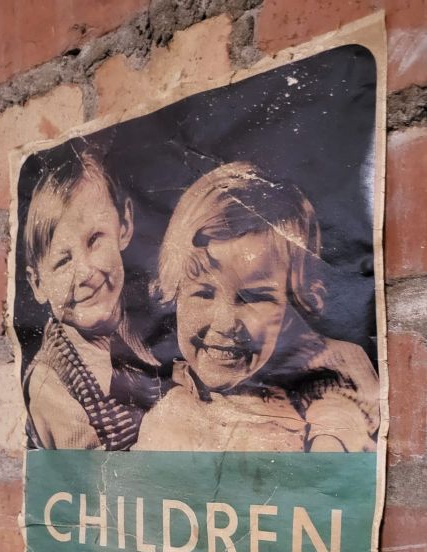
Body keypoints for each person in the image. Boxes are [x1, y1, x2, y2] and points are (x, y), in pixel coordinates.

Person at [135, 162, 379, 452]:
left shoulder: (317, 376)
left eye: (255, 298)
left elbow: (339, 391)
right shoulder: (164, 390)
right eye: (203, 293)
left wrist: (332, 438)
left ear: (291, 308)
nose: (225, 323)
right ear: (174, 291)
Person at [23, 141, 164, 449]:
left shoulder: (151, 311)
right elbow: (94, 488)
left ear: (124, 226)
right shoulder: (52, 384)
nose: (85, 273)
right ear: (38, 284)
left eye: (95, 239)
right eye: (62, 261)